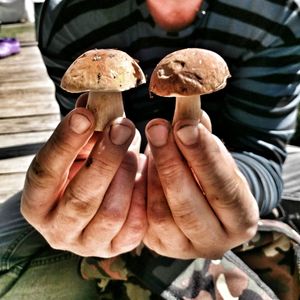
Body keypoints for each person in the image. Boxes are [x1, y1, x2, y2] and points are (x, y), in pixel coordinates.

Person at [0, 0, 299, 299]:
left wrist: (224, 196)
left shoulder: (276, 15)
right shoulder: (69, 15)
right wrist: (72, 192)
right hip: (118, 177)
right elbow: (83, 138)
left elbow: (262, 150)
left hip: (236, 169)